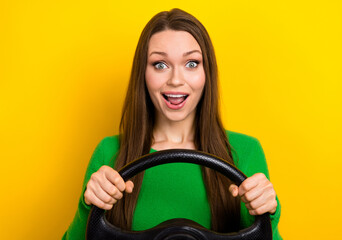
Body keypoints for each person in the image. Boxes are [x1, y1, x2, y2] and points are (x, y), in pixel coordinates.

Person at [62, 8, 282, 239]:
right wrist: (88, 208)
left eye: (191, 63)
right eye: (160, 65)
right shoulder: (110, 152)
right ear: (142, 73)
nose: (176, 80)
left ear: (207, 72)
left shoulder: (245, 152)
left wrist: (267, 212)